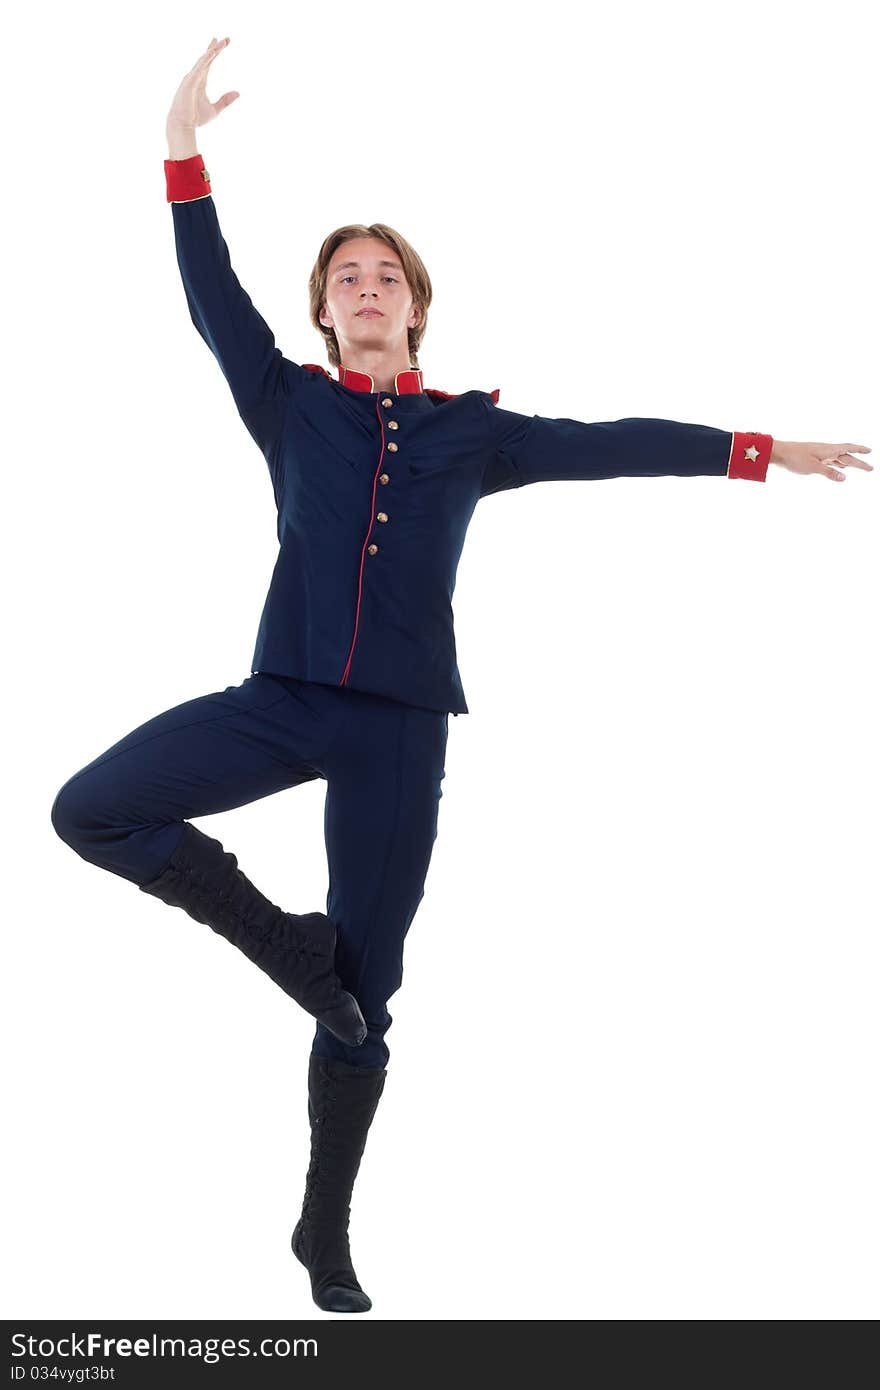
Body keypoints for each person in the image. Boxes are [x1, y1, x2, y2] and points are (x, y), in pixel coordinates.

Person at [49, 36, 873, 1315]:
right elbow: (211, 295)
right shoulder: (287, 401)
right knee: (91, 807)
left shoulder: (470, 432)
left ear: (416, 306)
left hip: (401, 730)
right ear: (324, 309)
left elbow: (617, 445)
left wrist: (761, 450)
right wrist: (179, 153)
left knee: (364, 1001)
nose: (366, 287)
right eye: (345, 276)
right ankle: (281, 945)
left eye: (387, 274)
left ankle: (321, 1228)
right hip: (282, 699)